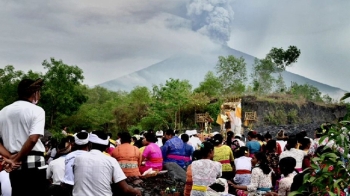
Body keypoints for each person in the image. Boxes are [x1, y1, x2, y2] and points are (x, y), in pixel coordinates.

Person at [0, 78, 48, 196]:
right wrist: (17, 158)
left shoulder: (3, 112)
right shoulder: (37, 111)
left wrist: (11, 158)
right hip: (34, 164)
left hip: (14, 166)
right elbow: (33, 139)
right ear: (35, 93)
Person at [73, 131, 141, 196]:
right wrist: (136, 191)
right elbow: (126, 189)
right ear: (106, 148)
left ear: (89, 144)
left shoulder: (77, 159)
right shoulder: (111, 161)